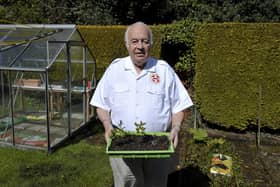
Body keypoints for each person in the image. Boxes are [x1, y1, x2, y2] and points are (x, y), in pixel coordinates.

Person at [90, 21, 193, 187]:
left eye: (145, 41)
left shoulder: (163, 70)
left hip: (157, 146)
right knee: (128, 183)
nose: (140, 46)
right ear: (127, 45)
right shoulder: (115, 69)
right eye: (135, 41)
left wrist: (175, 128)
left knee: (156, 184)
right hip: (123, 144)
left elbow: (179, 106)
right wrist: (107, 125)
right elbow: (101, 104)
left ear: (151, 44)